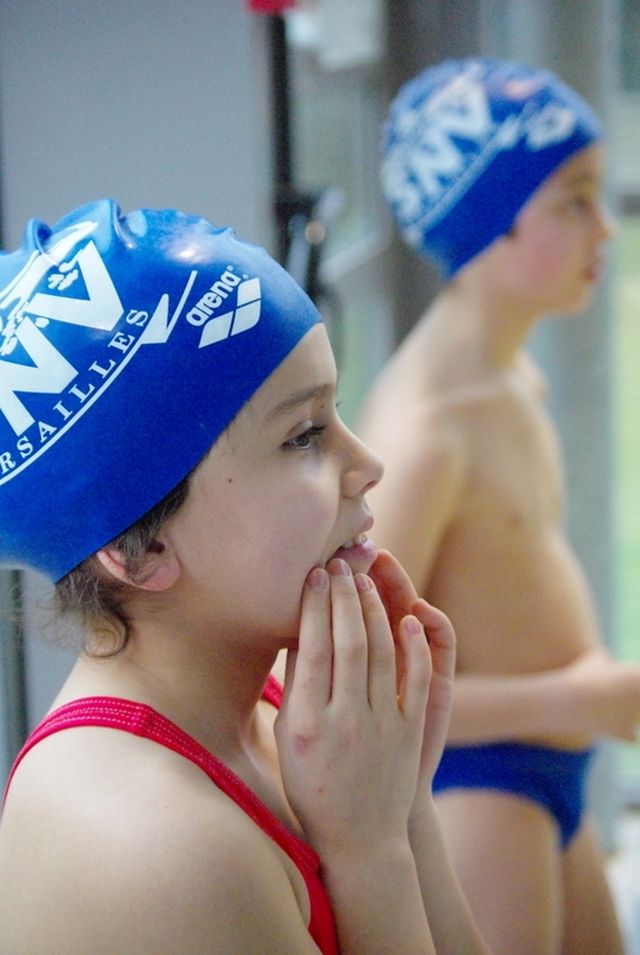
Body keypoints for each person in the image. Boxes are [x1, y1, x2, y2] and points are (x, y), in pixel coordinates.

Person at [0, 199, 490, 954]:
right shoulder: (153, 848)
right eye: (304, 435)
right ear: (136, 550)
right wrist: (369, 852)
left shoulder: (278, 713)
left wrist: (401, 802)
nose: (369, 464)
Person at [357, 57, 640, 955]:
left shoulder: (511, 377)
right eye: (575, 201)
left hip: (551, 759)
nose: (606, 226)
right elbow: (367, 693)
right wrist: (572, 695)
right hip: (478, 784)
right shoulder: (425, 432)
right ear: (487, 220)